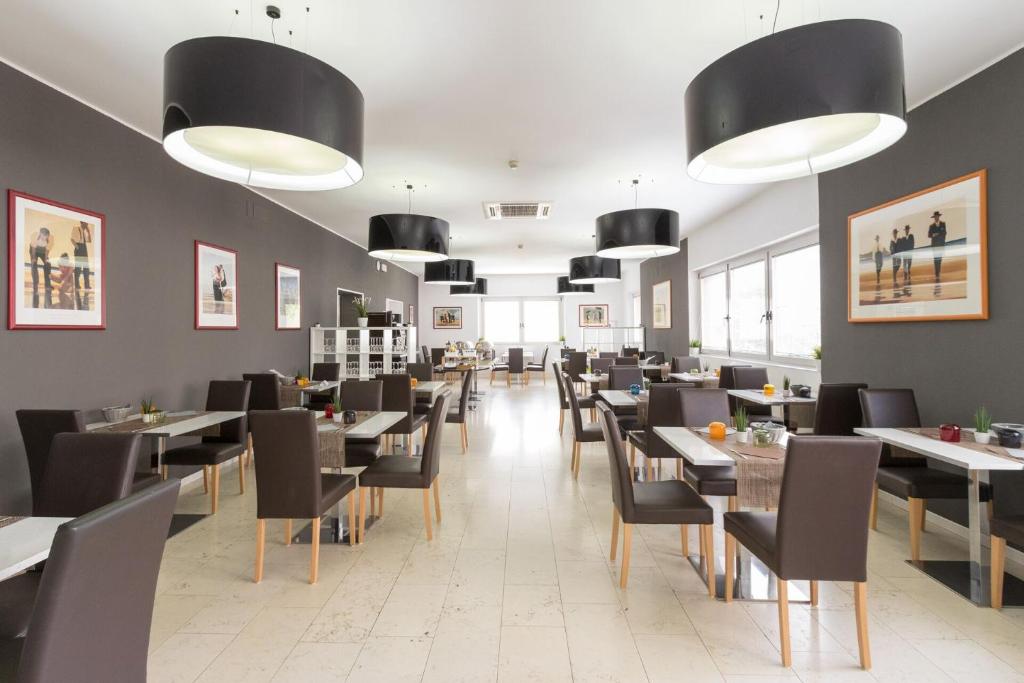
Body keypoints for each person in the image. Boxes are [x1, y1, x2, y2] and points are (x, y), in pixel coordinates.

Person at [27, 226, 54, 309]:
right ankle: (36, 284)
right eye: (42, 237)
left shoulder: (51, 239)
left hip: (43, 251)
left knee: (48, 264)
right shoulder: (34, 236)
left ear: (48, 236)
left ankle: (48, 285)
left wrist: (46, 259)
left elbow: (47, 250)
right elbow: (34, 249)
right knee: (33, 264)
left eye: (45, 237)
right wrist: (34, 258)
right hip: (34, 249)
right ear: (40, 234)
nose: (44, 239)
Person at [70, 220, 92, 310]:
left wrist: (88, 231)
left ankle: (87, 284)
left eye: (87, 223)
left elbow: (89, 240)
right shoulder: (76, 228)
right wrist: (77, 247)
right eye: (85, 223)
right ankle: (77, 284)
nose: (87, 224)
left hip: (84, 248)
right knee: (78, 268)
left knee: (86, 267)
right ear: (82, 223)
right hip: (79, 248)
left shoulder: (85, 231)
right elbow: (72, 239)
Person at [927, 210, 947, 281]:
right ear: (934, 217)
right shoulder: (931, 226)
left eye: (937, 216)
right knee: (936, 260)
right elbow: (929, 235)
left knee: (940, 259)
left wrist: (939, 235)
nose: (936, 218)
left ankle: (938, 272)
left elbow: (945, 233)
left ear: (939, 216)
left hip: (941, 244)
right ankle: (937, 274)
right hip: (934, 245)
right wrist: (933, 234)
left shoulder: (943, 224)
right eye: (935, 217)